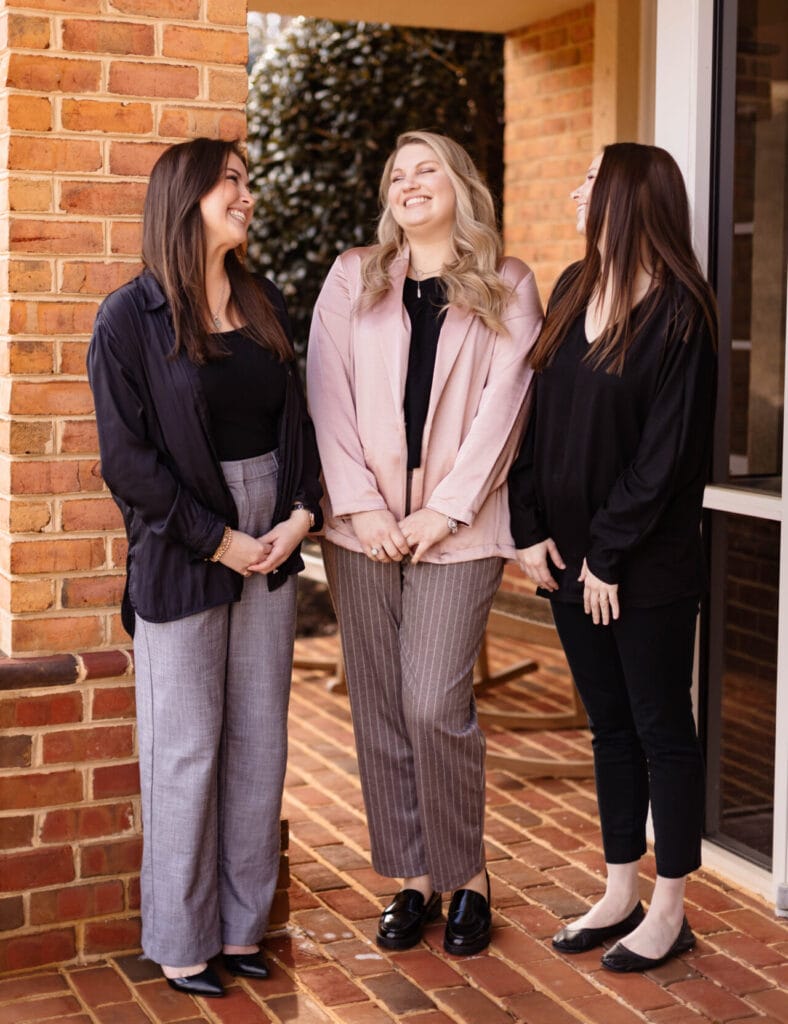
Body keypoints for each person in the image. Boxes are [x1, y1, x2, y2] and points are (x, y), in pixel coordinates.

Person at [87, 138, 322, 998]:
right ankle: (183, 940)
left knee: (259, 741)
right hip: (187, 544)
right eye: (231, 181)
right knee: (186, 747)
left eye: (249, 180)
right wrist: (218, 539)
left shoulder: (264, 302)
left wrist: (299, 515)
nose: (247, 194)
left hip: (275, 534)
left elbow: (300, 422)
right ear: (184, 198)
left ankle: (240, 926)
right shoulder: (128, 319)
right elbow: (129, 464)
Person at [306, 130, 542, 956]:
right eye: (396, 174)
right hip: (360, 530)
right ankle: (412, 877)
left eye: (425, 169)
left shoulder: (508, 283)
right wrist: (366, 512)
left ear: (459, 183)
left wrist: (440, 513)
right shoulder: (352, 277)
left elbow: (506, 406)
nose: (409, 184)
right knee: (378, 702)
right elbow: (325, 398)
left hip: (461, 530)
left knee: (434, 700)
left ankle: (466, 874)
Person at [508, 142, 717, 972]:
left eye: (590, 179)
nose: (575, 188)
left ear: (628, 196)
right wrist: (526, 526)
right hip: (570, 563)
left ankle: (671, 908)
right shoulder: (571, 288)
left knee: (663, 728)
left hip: (643, 568)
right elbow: (538, 416)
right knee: (609, 730)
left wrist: (611, 556)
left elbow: (665, 456)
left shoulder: (680, 313)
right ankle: (619, 889)